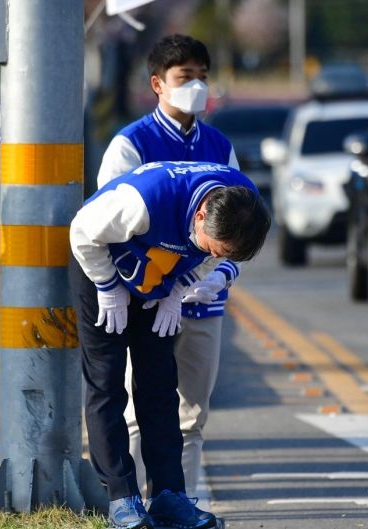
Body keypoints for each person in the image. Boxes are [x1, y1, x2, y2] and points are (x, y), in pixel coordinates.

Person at [70, 161, 271, 529]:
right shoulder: (142, 202)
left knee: (160, 384)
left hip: (158, 275)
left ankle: (168, 495)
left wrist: (179, 288)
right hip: (101, 262)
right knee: (108, 382)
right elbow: (82, 231)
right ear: (200, 215)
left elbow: (211, 258)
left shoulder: (244, 207)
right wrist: (107, 285)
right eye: (218, 247)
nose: (220, 256)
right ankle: (120, 496)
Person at [97, 34, 241, 498]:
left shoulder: (220, 146)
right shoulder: (131, 144)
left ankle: (180, 502)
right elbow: (110, 226)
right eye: (185, 78)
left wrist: (221, 274)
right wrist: (155, 285)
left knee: (192, 416)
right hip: (145, 300)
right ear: (158, 83)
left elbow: (241, 228)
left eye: (202, 76)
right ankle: (134, 503)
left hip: (203, 302)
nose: (196, 86)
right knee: (142, 411)